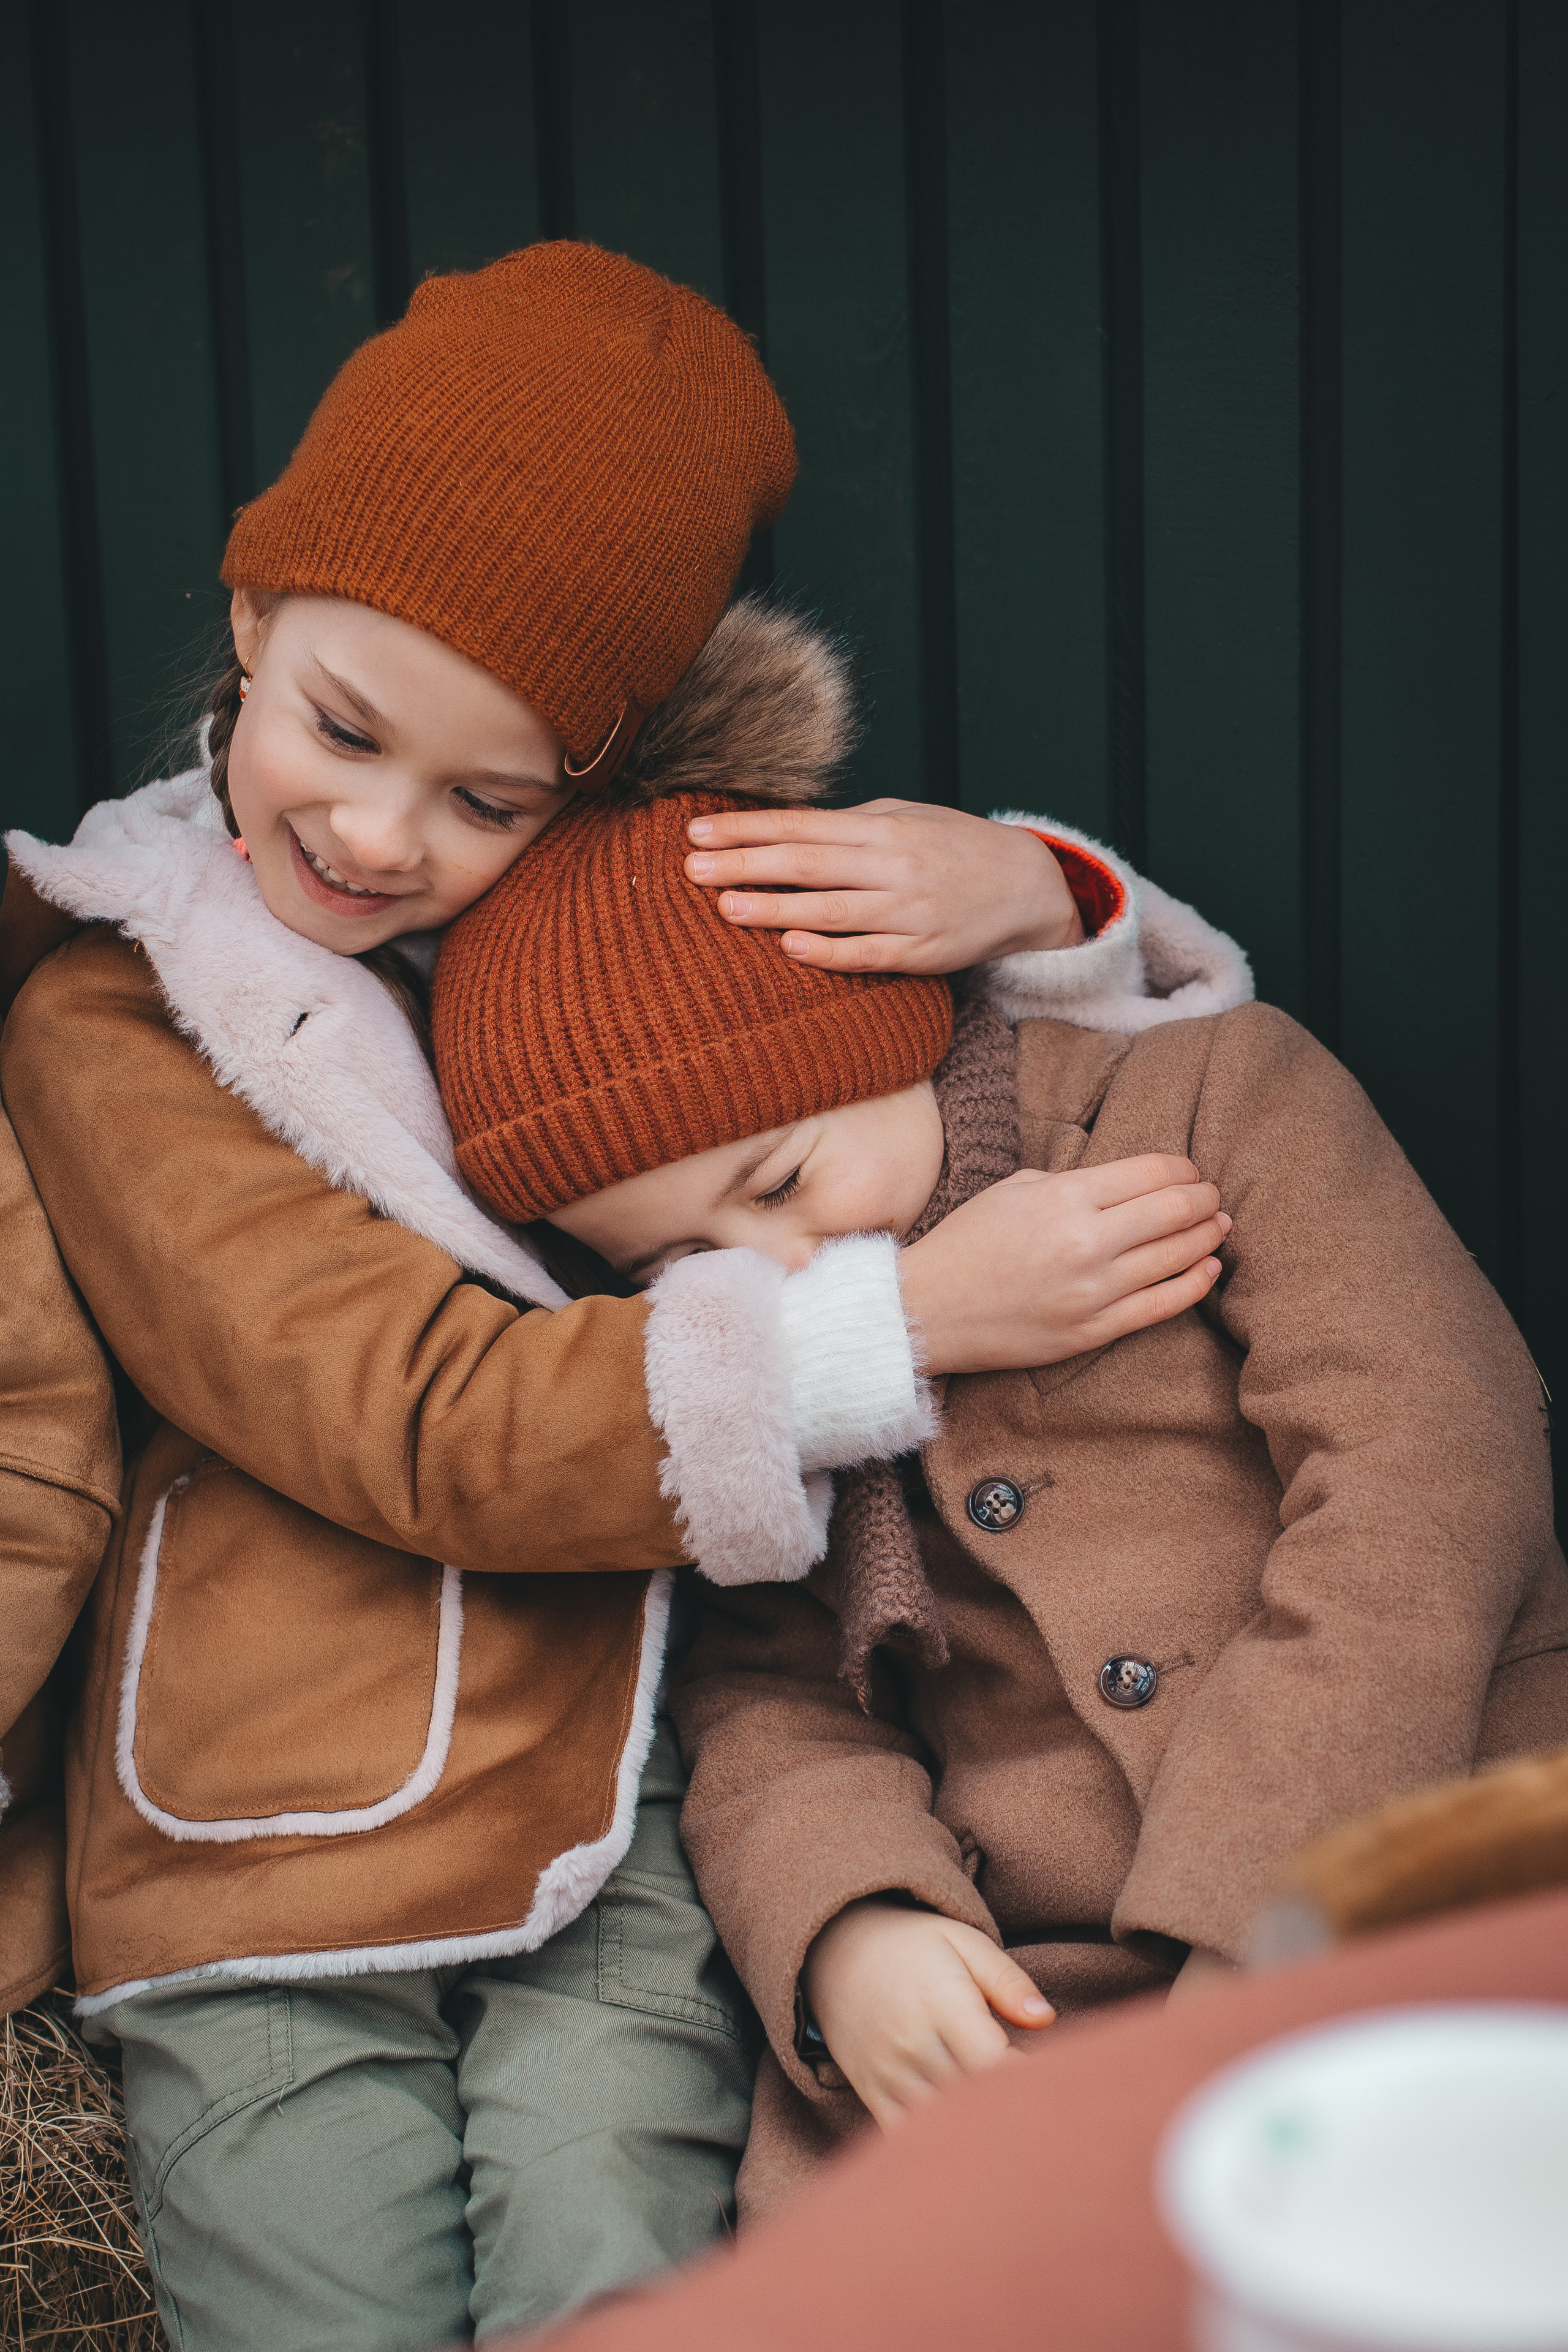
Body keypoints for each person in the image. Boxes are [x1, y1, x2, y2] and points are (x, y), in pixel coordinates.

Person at [0, 242, 1245, 2349]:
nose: (377, 834)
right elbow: (403, 1410)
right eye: (341, 729)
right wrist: (890, 1331)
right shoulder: (125, 1010)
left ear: (588, 782)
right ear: (252, 613)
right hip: (272, 1837)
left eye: (487, 799)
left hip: (629, 1806)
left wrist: (1037, 892)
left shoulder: (614, 902)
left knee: (624, 2286)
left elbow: (943, 1059)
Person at [430, 780, 1568, 2226]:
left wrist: (1266, 1908)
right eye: (676, 1268)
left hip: (1426, 1841)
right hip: (1028, 1977)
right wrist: (854, 1925)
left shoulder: (1202, 1098)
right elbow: (766, 1685)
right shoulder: (759, 1377)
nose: (773, 1281)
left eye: (780, 1182)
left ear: (887, 1037)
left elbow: (1426, 1468)